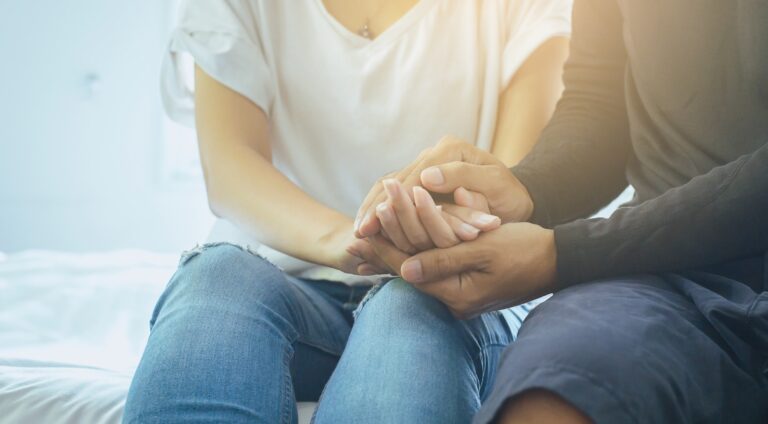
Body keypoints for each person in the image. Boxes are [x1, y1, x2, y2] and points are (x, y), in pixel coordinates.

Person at [123, 0, 573, 422]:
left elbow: (517, 183)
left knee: (407, 305)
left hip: (445, 288)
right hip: (288, 283)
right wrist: (355, 240)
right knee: (217, 276)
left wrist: (436, 238)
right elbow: (229, 167)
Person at [356, 0, 768, 422]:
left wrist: (564, 254)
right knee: (549, 399)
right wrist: (526, 189)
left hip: (646, 249)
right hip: (662, 273)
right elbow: (600, 103)